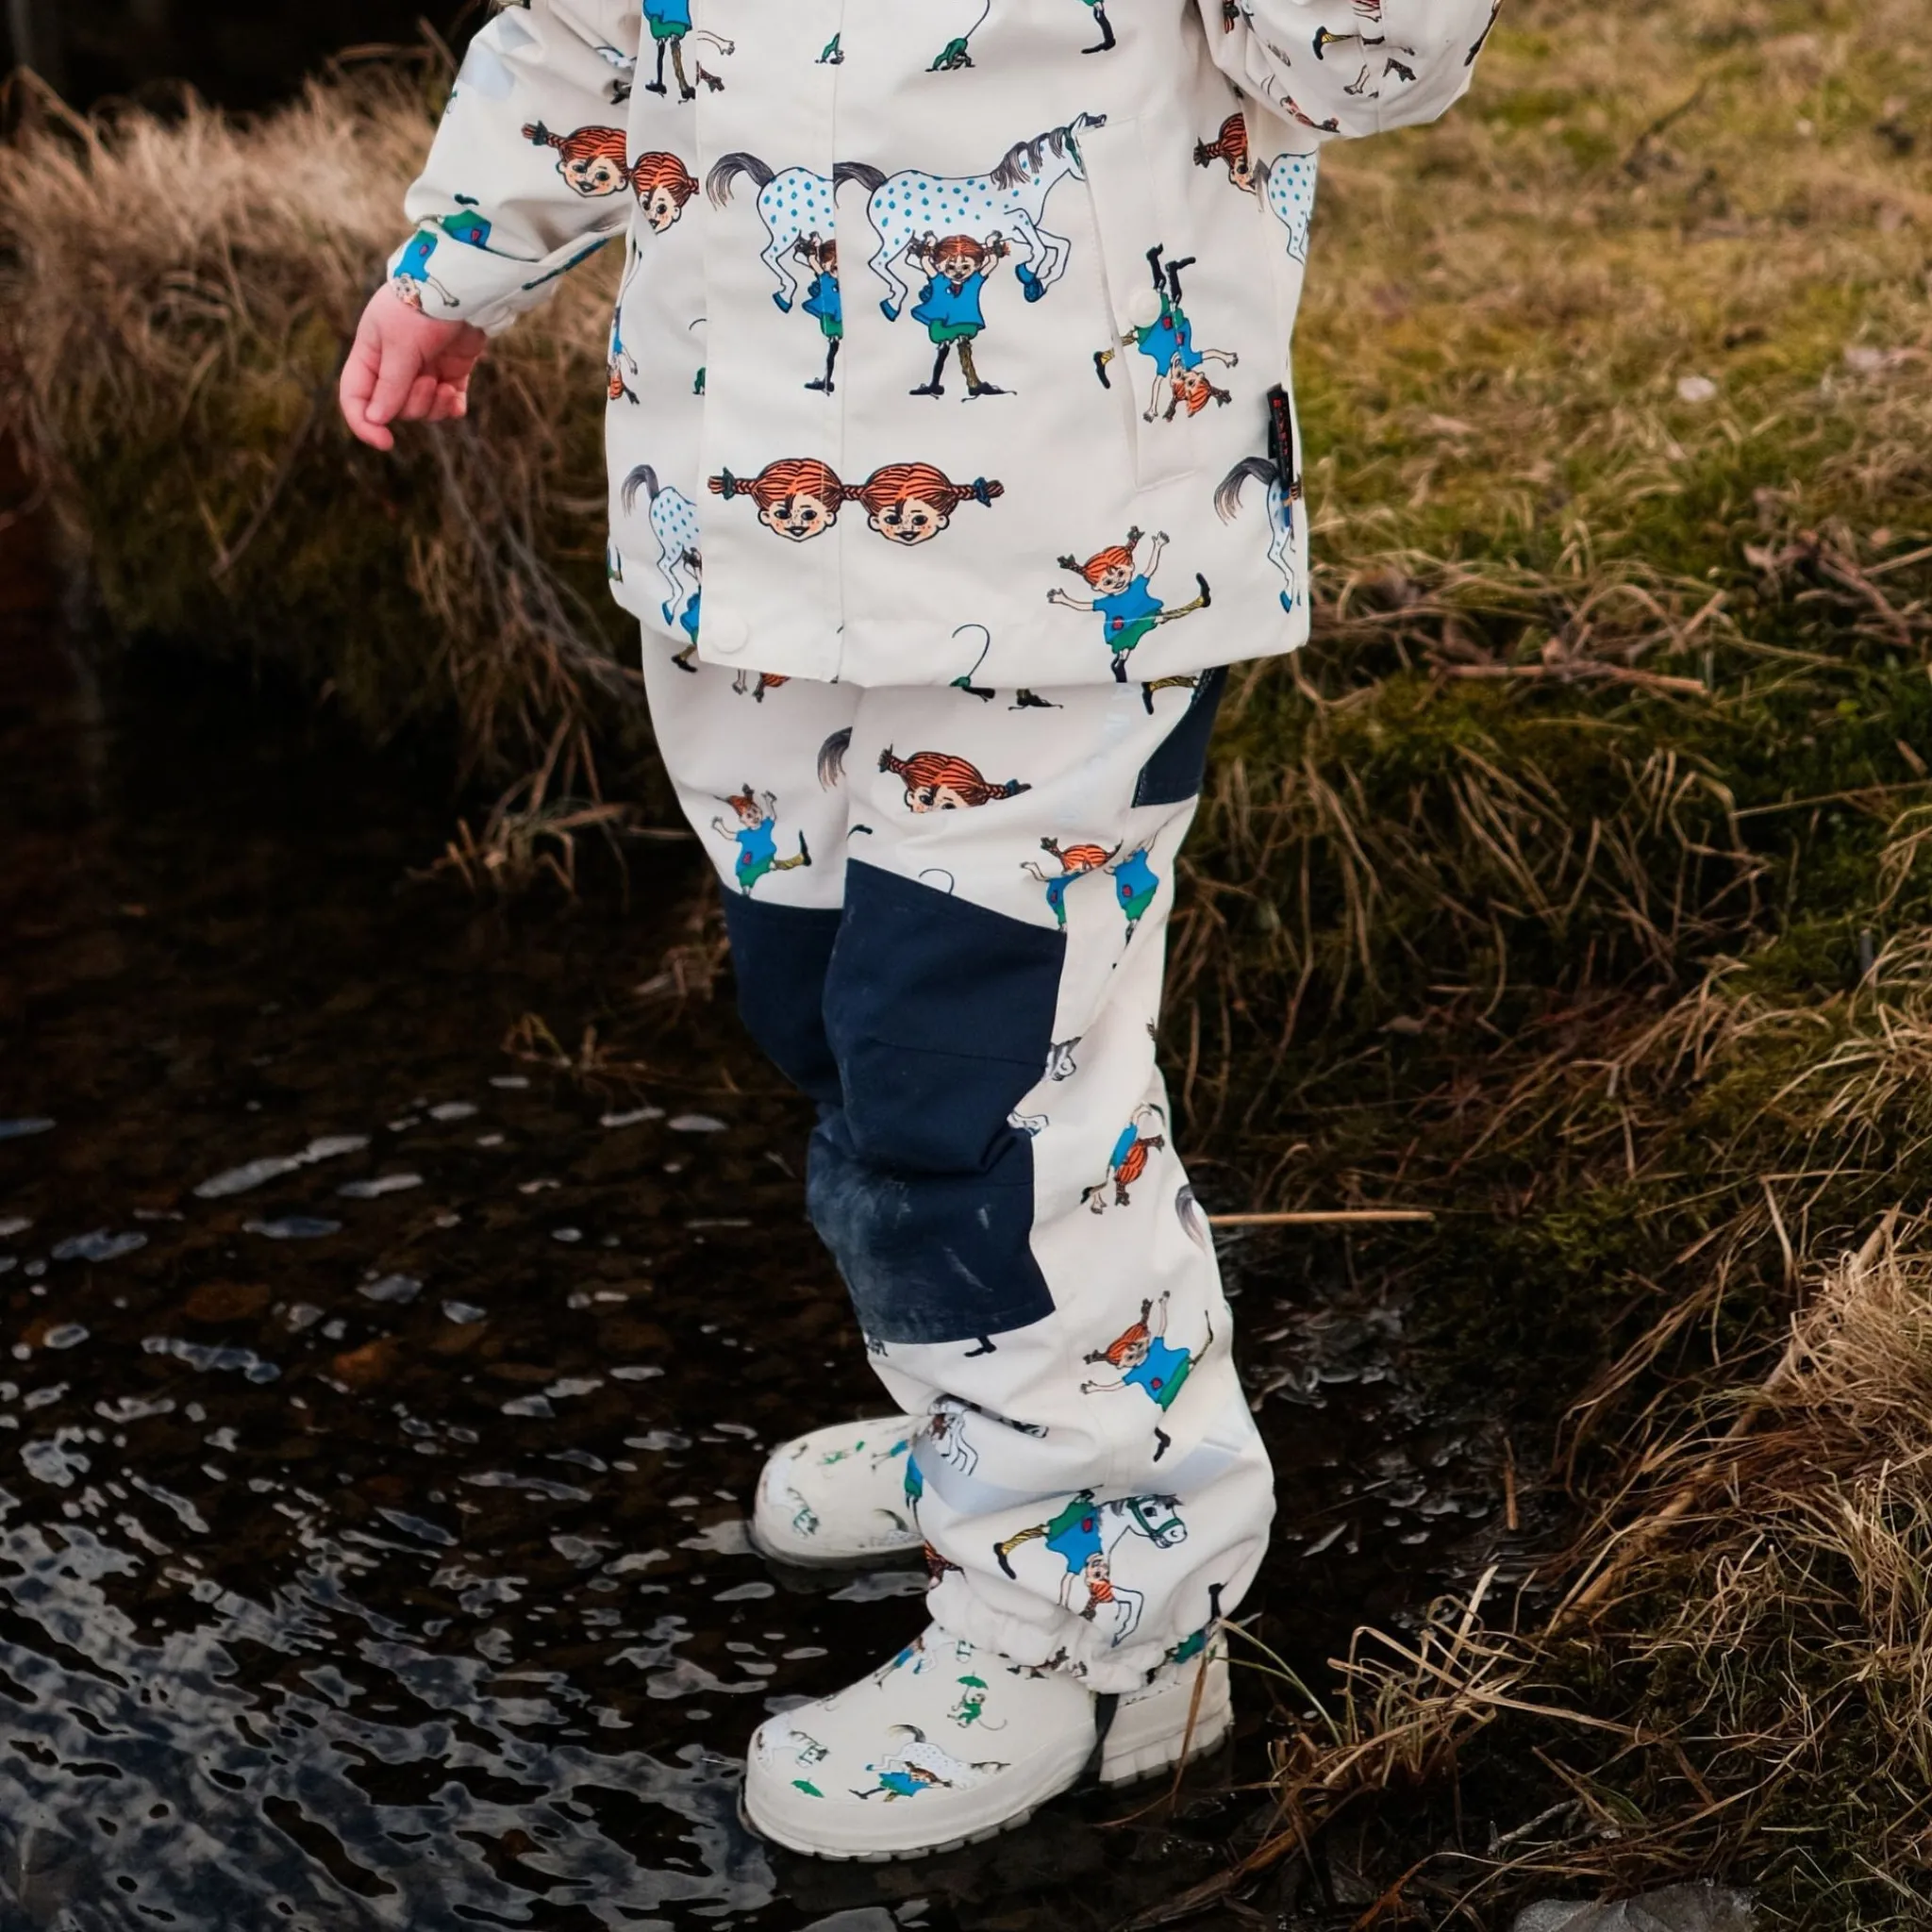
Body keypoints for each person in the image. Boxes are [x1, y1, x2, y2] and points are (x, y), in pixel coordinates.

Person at [339, 0, 1500, 1863]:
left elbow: (1357, 67)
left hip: (1062, 566)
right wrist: (457, 259)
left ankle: (1109, 1609)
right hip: (737, 548)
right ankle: (999, 1423)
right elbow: (572, 28)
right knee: (824, 1017)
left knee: (977, 1089)